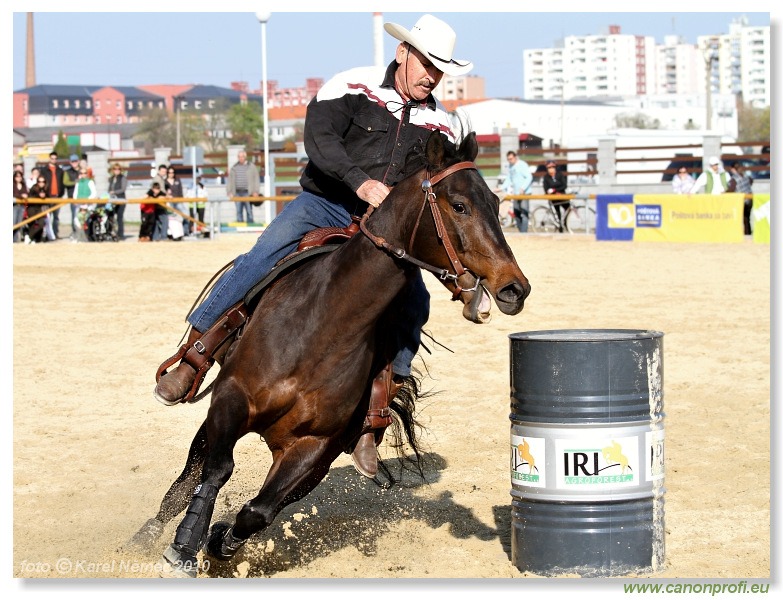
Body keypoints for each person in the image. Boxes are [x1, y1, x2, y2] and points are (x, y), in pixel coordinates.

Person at [154, 13, 472, 478]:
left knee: (414, 303)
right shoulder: (351, 86)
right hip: (324, 204)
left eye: (440, 69)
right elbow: (320, 142)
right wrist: (360, 183)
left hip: (380, 232)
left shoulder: (440, 125)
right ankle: (196, 355)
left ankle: (373, 420)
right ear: (403, 53)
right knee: (262, 255)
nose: (433, 75)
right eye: (427, 63)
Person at [497, 151, 533, 232]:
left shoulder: (522, 165)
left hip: (524, 193)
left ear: (515, 157)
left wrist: (523, 188)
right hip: (516, 193)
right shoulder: (511, 166)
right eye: (508, 159)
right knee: (516, 212)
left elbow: (529, 177)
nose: (510, 161)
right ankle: (521, 231)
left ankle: (524, 233)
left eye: (511, 159)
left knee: (524, 213)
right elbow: (509, 179)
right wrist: (501, 188)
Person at [227, 150, 260, 223]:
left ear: (245, 157)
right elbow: (229, 180)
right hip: (237, 193)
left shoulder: (251, 167)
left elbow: (256, 179)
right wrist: (229, 192)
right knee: (238, 211)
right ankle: (240, 229)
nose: (240, 158)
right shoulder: (234, 167)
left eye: (242, 157)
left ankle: (250, 226)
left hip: (248, 193)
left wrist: (256, 191)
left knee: (249, 211)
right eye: (239, 157)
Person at [41, 151, 65, 238]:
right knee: (47, 217)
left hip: (57, 196)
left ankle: (55, 233)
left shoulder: (60, 170)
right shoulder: (44, 170)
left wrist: (61, 193)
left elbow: (62, 183)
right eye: (52, 158)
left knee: (56, 217)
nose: (54, 160)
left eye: (55, 158)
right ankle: (47, 234)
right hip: (48, 196)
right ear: (49, 159)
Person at [72, 166, 97, 243]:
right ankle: (78, 237)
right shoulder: (78, 182)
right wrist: (75, 200)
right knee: (77, 220)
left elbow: (94, 193)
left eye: (84, 173)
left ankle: (86, 237)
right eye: (81, 173)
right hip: (79, 205)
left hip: (87, 205)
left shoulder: (90, 182)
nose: (83, 175)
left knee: (86, 221)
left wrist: (87, 200)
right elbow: (75, 193)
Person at [542, 160, 569, 232]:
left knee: (568, 209)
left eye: (553, 167)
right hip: (553, 198)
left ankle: (565, 224)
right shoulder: (546, 177)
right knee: (557, 213)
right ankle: (560, 227)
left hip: (562, 196)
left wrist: (555, 190)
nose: (551, 169)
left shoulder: (559, 175)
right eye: (549, 167)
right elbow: (546, 188)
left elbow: (564, 185)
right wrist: (550, 191)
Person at [728, 162, 754, 235]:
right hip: (750, 199)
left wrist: (724, 192)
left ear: (733, 169)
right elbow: (751, 181)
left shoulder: (734, 178)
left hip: (741, 201)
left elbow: (731, 189)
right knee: (747, 218)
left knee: (741, 218)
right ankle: (748, 233)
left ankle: (742, 233)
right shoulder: (746, 175)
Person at [25, 174, 49, 244]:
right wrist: (39, 195)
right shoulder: (34, 187)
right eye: (39, 181)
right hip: (32, 207)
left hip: (40, 208)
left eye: (43, 181)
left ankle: (30, 237)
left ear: (45, 182)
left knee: (41, 223)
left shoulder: (46, 188)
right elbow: (30, 196)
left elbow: (49, 197)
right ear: (37, 182)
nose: (41, 183)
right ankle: (32, 238)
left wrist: (45, 196)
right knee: (32, 223)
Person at [165, 166, 187, 236]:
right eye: (169, 173)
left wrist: (182, 200)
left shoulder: (177, 180)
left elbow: (180, 191)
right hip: (169, 203)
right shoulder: (165, 181)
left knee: (184, 216)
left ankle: (185, 231)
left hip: (178, 202)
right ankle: (172, 233)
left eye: (172, 172)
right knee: (172, 218)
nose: (171, 174)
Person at [108, 163, 128, 239]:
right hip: (112, 200)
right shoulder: (111, 178)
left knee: (120, 217)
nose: (117, 170)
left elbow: (123, 189)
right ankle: (111, 232)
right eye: (115, 169)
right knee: (111, 216)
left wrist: (114, 192)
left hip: (121, 199)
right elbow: (109, 189)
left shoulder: (123, 178)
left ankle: (121, 234)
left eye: (118, 169)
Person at [62, 154, 81, 229]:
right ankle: (75, 231)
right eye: (72, 161)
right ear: (70, 162)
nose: (74, 163)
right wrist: (75, 182)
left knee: (84, 214)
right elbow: (65, 182)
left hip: (83, 196)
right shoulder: (67, 172)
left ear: (78, 161)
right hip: (73, 196)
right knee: (75, 215)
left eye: (75, 161)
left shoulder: (82, 170)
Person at [13, 170, 29, 243]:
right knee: (13, 222)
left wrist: (23, 196)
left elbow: (26, 193)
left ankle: (16, 239)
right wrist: (21, 196)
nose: (18, 178)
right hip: (14, 206)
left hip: (22, 206)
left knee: (20, 223)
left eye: (20, 176)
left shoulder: (23, 185)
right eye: (17, 176)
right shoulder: (12, 184)